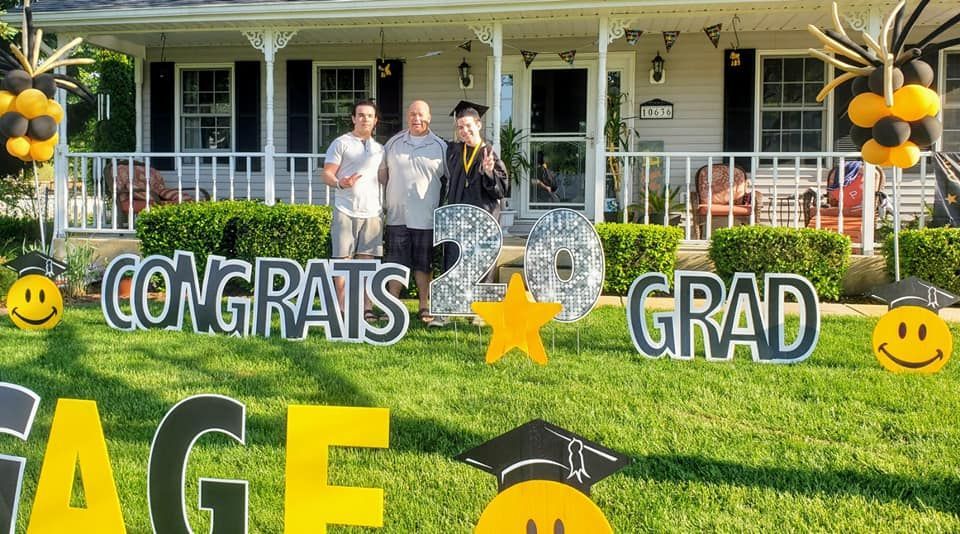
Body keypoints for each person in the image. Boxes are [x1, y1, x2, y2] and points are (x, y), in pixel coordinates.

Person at [434, 101, 509, 327]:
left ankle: (482, 311)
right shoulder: (454, 152)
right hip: (458, 216)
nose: (464, 131)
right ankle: (445, 310)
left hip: (483, 217)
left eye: (468, 126)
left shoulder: (490, 153)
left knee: (483, 264)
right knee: (453, 261)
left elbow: (501, 190)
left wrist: (488, 173)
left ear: (478, 124)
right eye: (460, 127)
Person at [380, 100, 447, 324]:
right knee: (395, 262)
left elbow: (453, 178)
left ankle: (424, 305)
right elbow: (383, 175)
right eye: (412, 114)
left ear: (429, 117)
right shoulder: (393, 143)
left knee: (423, 263)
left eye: (420, 115)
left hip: (426, 217)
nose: (416, 119)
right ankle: (392, 304)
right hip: (397, 216)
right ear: (407, 117)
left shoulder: (440, 147)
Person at [322, 99, 385, 322]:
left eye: (369, 115)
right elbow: (327, 174)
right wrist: (341, 183)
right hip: (345, 210)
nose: (364, 119)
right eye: (360, 115)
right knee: (343, 260)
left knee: (367, 262)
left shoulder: (380, 149)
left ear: (375, 121)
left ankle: (366, 308)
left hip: (372, 213)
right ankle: (342, 307)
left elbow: (384, 177)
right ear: (353, 118)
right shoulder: (341, 143)